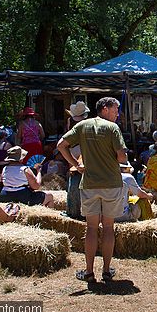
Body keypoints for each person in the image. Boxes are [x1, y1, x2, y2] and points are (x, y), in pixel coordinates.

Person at [57, 97, 127, 283]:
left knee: (91, 228)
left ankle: (89, 272)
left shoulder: (83, 126)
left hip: (89, 184)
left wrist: (75, 164)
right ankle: (105, 270)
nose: (117, 113)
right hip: (111, 183)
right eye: (115, 110)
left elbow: (61, 146)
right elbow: (121, 158)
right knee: (109, 228)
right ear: (104, 108)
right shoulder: (113, 128)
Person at [64, 101, 90, 220]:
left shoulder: (71, 123)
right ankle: (83, 211)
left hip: (73, 149)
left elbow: (64, 143)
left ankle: (73, 210)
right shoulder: (87, 124)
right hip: (82, 150)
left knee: (73, 178)